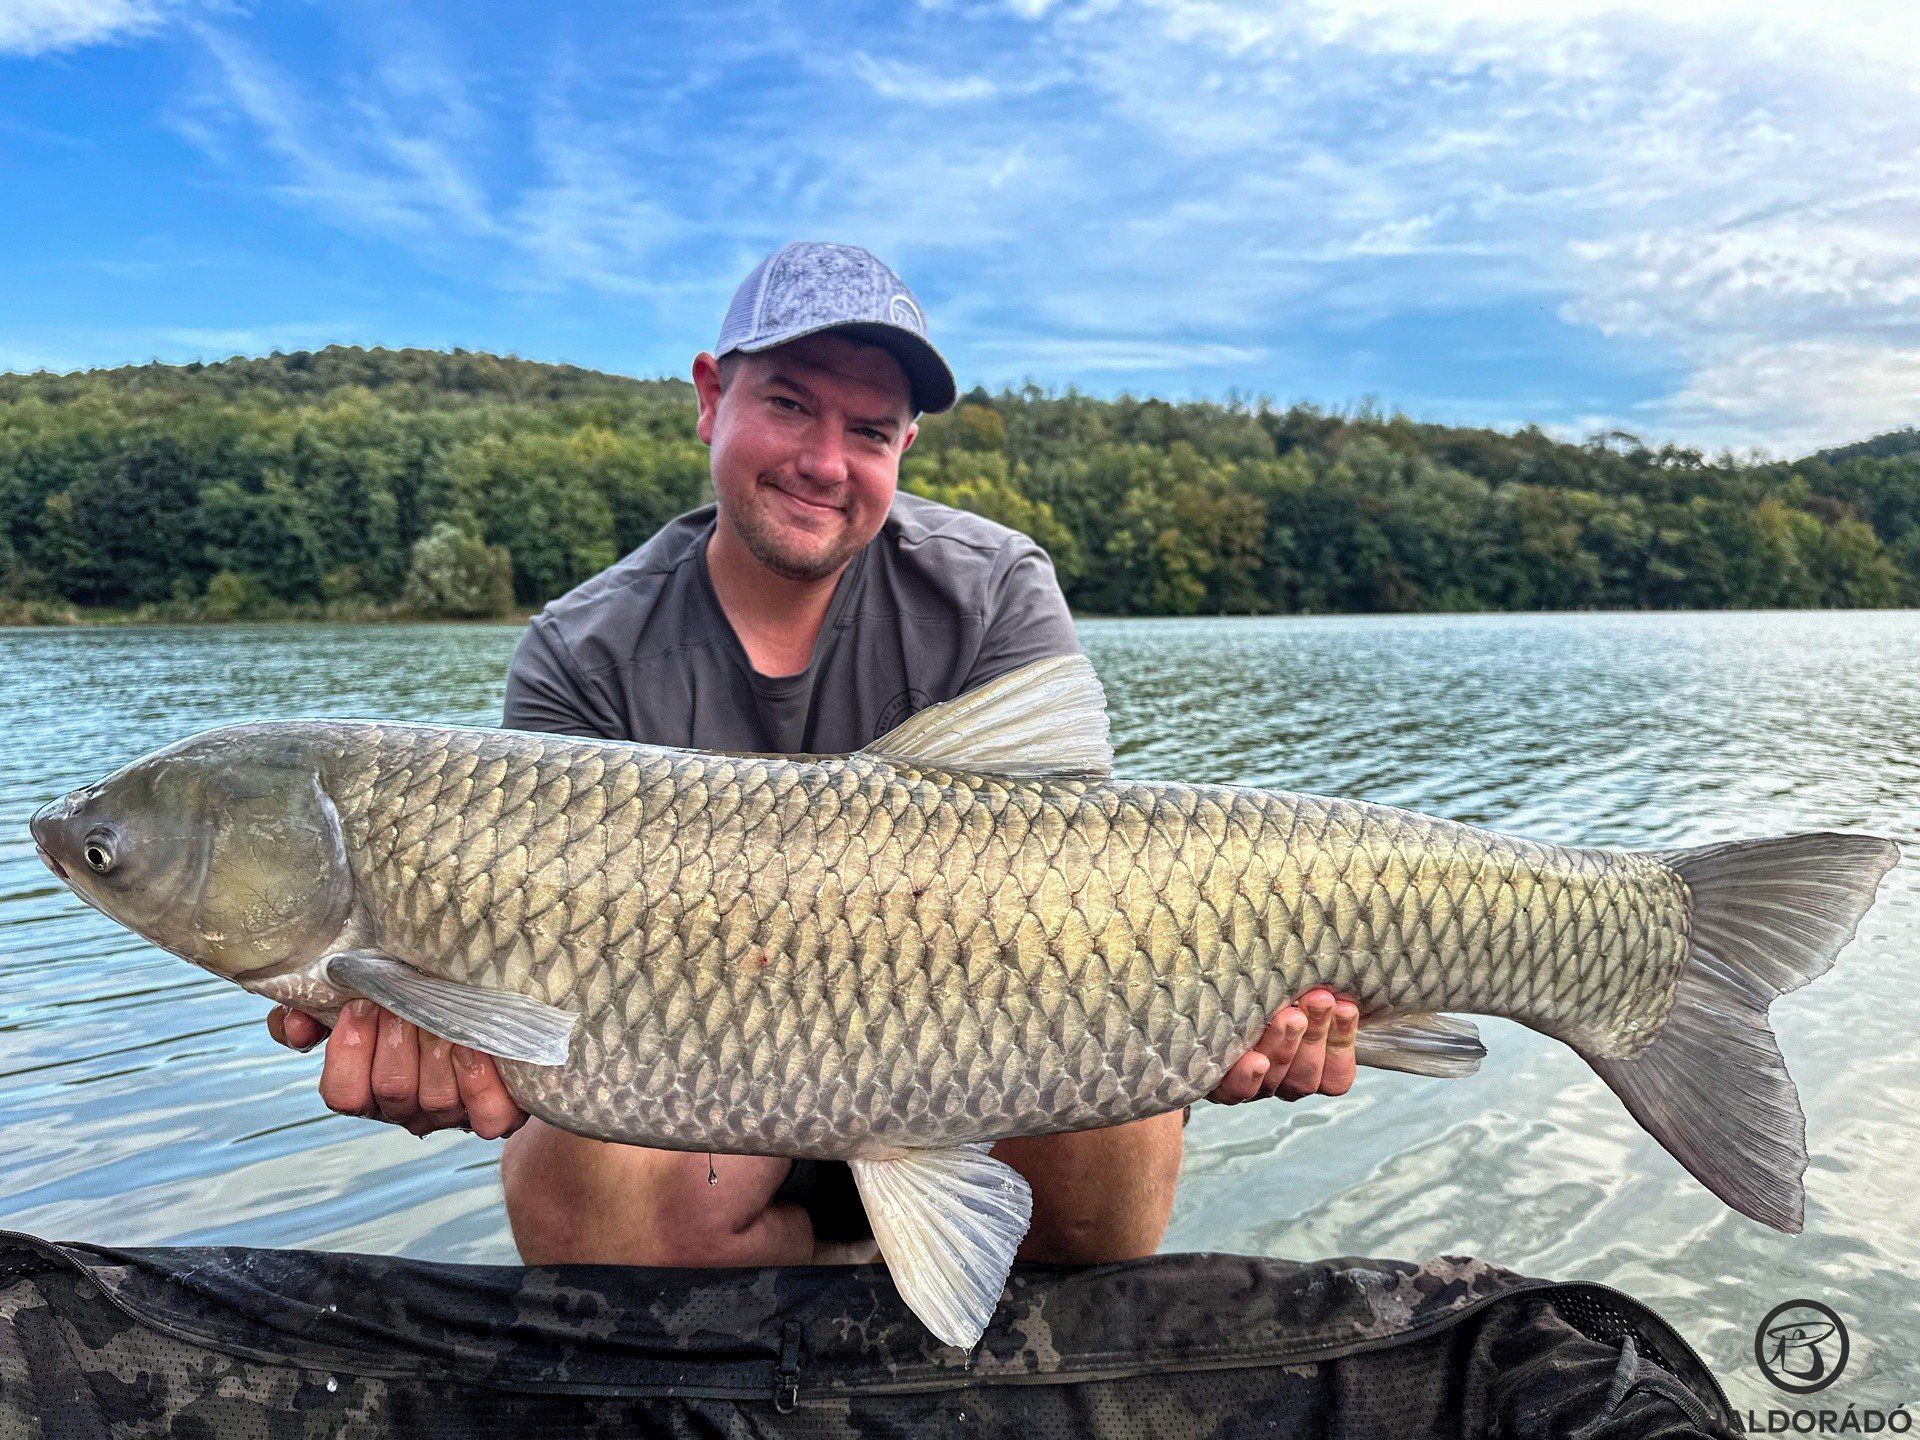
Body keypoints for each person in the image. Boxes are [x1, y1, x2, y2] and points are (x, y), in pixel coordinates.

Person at [267, 241, 1363, 1268]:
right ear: (710, 397)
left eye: (870, 431)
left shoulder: (992, 588)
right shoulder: (582, 651)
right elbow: (518, 999)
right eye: (789, 404)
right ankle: (833, 1292)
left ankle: (938, 1286)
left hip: (998, 1057)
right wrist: (444, 1040)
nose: (825, 462)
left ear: (904, 450)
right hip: (698, 1096)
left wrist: (1236, 1009)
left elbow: (1078, 886)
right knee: (576, 1197)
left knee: (1122, 1111)